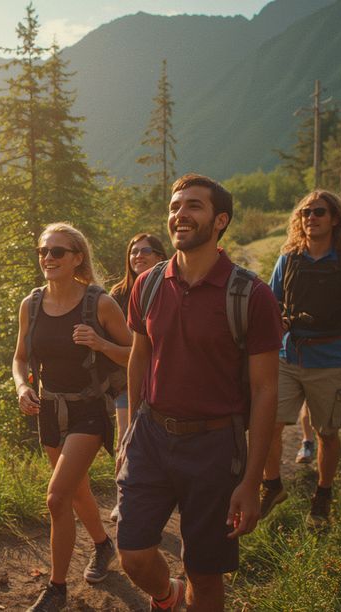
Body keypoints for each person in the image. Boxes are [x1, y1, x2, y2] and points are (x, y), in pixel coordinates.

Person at [119, 174, 280, 611]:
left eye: (193, 206)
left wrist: (252, 480)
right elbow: (139, 358)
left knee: (205, 577)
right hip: (151, 436)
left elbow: (267, 391)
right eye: (174, 206)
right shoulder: (148, 284)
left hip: (215, 445)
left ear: (220, 220)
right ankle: (166, 596)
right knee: (132, 553)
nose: (179, 214)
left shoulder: (251, 294)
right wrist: (131, 429)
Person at [12, 222, 133, 611]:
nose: (48, 258)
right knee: (76, 490)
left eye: (58, 252)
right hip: (48, 408)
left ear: (77, 257)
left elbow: (137, 355)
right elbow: (19, 359)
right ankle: (102, 545)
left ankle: (56, 588)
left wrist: (99, 343)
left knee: (56, 496)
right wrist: (20, 386)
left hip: (88, 409)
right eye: (43, 251)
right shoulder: (31, 304)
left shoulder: (98, 303)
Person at [260, 190, 341, 528]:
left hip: (330, 360)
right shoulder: (288, 259)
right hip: (288, 355)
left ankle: (323, 495)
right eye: (305, 213)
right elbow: (271, 305)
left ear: (335, 219)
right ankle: (271, 486)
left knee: (328, 433)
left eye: (319, 212)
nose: (310, 218)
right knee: (267, 424)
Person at [107, 233, 167, 520]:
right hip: (126, 380)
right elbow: (115, 346)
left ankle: (160, 496)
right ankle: (124, 499)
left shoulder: (167, 288)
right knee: (126, 439)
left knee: (161, 442)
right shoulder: (117, 295)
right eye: (133, 252)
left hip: (164, 381)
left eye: (146, 251)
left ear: (160, 255)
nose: (138, 256)